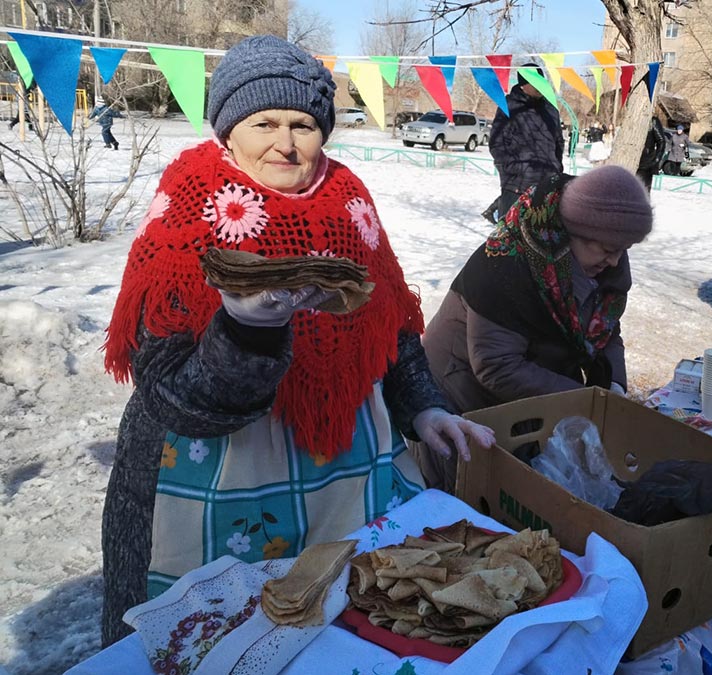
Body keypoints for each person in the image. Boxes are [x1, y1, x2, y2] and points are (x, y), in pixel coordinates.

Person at [100, 35, 494, 646]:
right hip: (211, 478)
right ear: (229, 130)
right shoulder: (188, 208)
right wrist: (245, 332)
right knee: (218, 640)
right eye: (264, 122)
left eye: (303, 124)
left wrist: (424, 404)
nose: (285, 143)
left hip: (350, 472)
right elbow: (174, 399)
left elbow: (387, 325)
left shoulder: (348, 198)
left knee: (348, 622)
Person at [416, 166, 653, 491]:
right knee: (461, 495)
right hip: (460, 394)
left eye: (623, 250)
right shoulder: (504, 263)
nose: (614, 261)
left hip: (526, 400)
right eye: (607, 249)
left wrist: (614, 386)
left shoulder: (602, 257)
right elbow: (496, 366)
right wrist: (585, 398)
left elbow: (607, 329)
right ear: (568, 233)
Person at [489, 62, 564, 219]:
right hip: (516, 185)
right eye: (534, 82)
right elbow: (497, 144)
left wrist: (556, 167)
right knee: (510, 238)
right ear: (523, 85)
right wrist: (512, 170)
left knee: (543, 237)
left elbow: (558, 143)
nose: (539, 87)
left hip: (547, 184)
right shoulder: (509, 106)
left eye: (541, 82)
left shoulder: (551, 109)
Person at [636, 116, 667, 190]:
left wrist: (657, 159)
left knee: (643, 189)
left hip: (646, 163)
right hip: (631, 160)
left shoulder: (653, 121)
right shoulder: (632, 117)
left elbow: (661, 141)